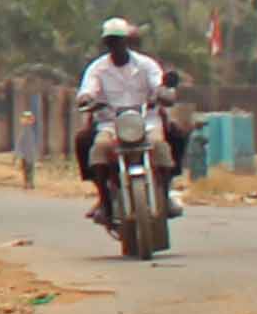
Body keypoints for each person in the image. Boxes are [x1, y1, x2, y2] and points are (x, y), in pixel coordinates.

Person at [74, 18, 181, 218]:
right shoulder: (97, 69)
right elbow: (87, 91)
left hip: (146, 122)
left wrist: (163, 93)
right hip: (110, 124)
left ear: (127, 42)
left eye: (119, 40)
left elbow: (160, 85)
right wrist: (87, 99)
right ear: (105, 44)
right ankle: (104, 201)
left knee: (160, 146)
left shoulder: (146, 65)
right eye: (111, 41)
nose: (115, 45)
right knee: (99, 150)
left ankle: (165, 198)